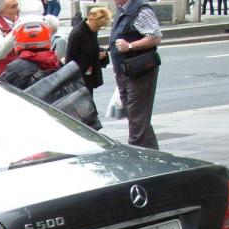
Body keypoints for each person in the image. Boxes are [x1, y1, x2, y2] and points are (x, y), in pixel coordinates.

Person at [110, 0, 161, 149]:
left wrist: (130, 46)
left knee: (137, 118)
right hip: (124, 71)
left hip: (139, 72)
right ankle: (153, 155)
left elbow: (155, 37)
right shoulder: (122, 9)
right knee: (136, 118)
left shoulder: (140, 10)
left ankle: (136, 153)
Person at [64, 6, 111, 93]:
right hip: (79, 78)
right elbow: (70, 58)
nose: (99, 28)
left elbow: (92, 48)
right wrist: (95, 57)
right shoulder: (77, 33)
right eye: (99, 26)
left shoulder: (92, 30)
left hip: (87, 76)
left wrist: (99, 53)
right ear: (93, 21)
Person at [0, 0, 31, 79]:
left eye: (17, 5)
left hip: (25, 76)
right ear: (2, 12)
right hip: (6, 79)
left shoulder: (21, 22)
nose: (18, 9)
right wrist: (17, 30)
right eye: (13, 7)